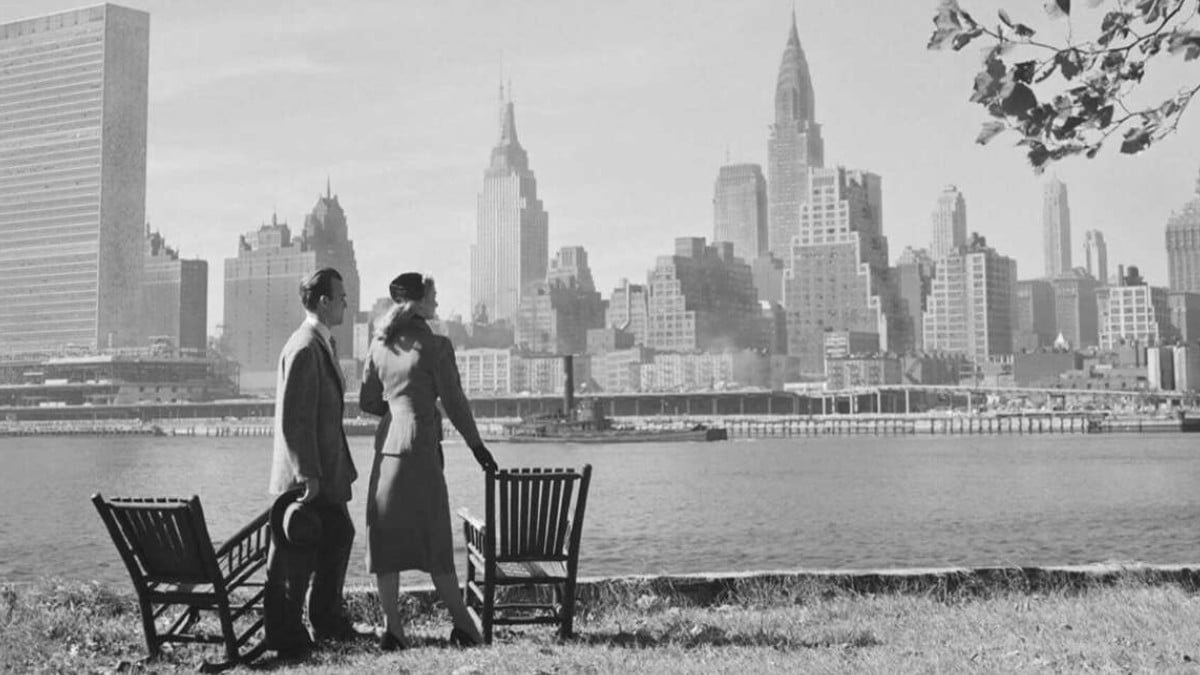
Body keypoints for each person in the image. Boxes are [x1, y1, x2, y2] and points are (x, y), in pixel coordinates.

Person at [360, 272, 497, 650]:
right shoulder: (436, 346)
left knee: (384, 537)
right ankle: (466, 626)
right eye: (433, 296)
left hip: (387, 449)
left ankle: (393, 629)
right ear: (419, 301)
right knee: (434, 538)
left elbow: (366, 400)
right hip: (420, 448)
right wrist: (477, 447)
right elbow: (455, 403)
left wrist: (396, 409)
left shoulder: (379, 344)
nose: (437, 302)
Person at [265, 267, 360, 657]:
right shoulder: (306, 347)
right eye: (341, 297)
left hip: (323, 470)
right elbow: (294, 418)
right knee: (295, 554)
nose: (345, 304)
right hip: (309, 476)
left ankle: (324, 621)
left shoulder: (320, 343)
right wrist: (307, 474)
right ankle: (292, 631)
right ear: (323, 301)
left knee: (337, 535)